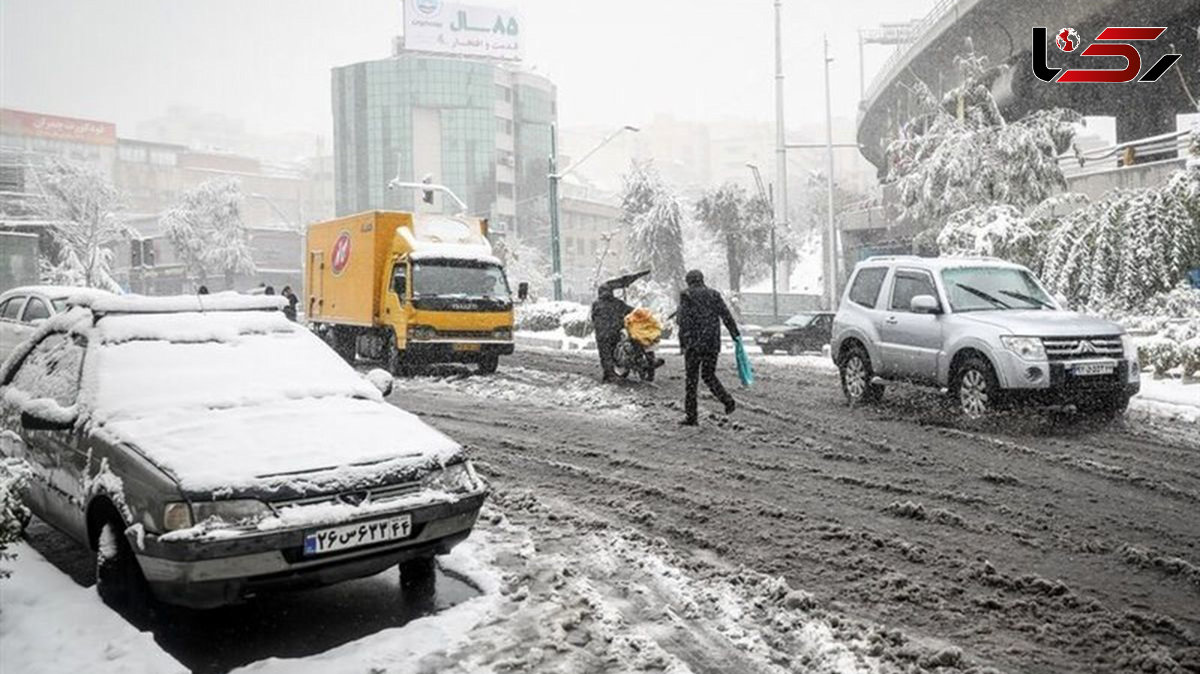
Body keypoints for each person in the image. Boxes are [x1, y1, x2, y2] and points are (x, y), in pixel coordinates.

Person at [676, 269, 738, 425]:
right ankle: (727, 400)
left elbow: (683, 321)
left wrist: (682, 343)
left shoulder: (686, 295)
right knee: (709, 375)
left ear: (689, 281)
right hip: (711, 343)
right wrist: (735, 334)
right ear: (702, 280)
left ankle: (692, 417)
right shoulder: (714, 294)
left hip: (694, 343)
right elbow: (726, 315)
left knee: (691, 380)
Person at [590, 284, 632, 382]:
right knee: (614, 351)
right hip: (615, 332)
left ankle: (609, 374)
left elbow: (593, 317)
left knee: (605, 355)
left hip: (602, 334)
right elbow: (631, 311)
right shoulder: (618, 303)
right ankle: (614, 371)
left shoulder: (596, 304)